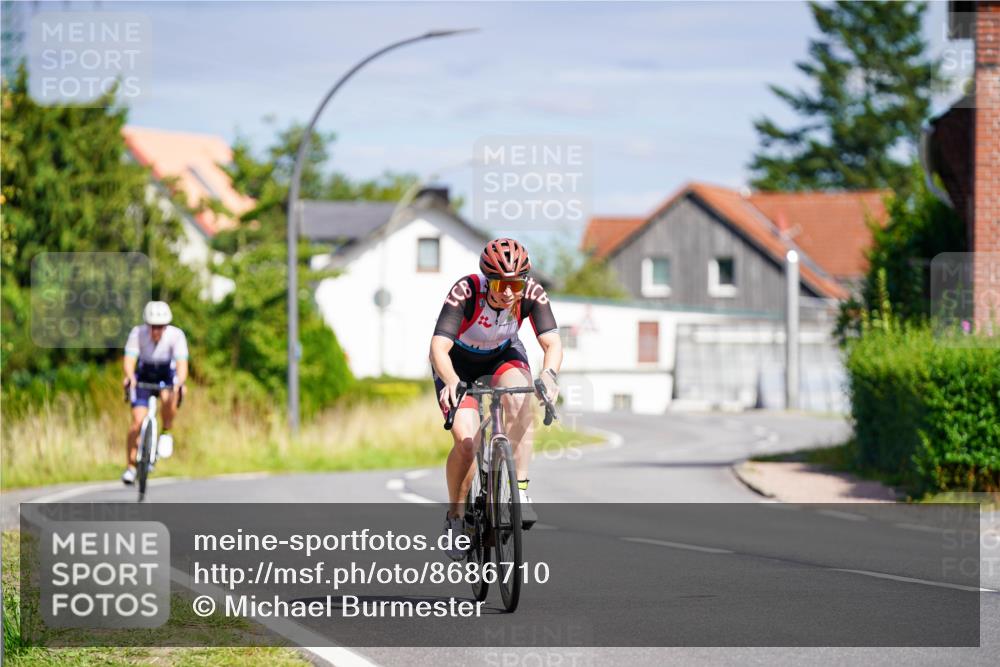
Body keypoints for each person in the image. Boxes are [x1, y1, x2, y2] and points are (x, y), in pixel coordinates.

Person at [429, 238, 562, 560]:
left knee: (520, 399)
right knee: (466, 444)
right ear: (488, 280)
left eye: (515, 283)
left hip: (503, 355)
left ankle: (521, 493)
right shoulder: (465, 292)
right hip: (457, 364)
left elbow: (552, 344)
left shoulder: (531, 293)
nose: (508, 292)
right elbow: (438, 348)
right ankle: (456, 518)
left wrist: (549, 376)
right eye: (501, 283)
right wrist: (450, 381)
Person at [121, 301, 188, 485]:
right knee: (136, 423)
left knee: (171, 395)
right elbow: (129, 360)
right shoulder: (138, 333)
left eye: (160, 327)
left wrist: (179, 383)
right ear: (147, 325)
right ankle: (130, 467)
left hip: (166, 374)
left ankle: (166, 430)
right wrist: (129, 377)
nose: (156, 330)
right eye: (153, 326)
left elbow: (182, 365)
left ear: (166, 326)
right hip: (144, 373)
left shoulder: (176, 336)